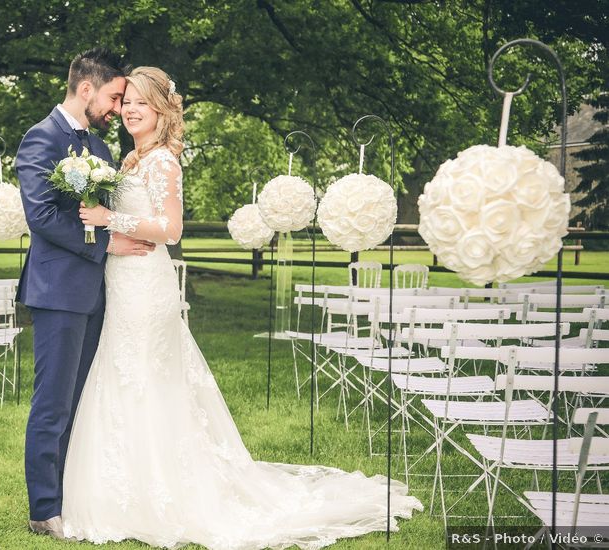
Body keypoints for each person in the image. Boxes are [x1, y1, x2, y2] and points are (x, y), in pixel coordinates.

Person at [65, 66, 423, 549]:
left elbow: (171, 231)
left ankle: (163, 494)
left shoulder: (165, 162)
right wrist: (108, 237)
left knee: (147, 376)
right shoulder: (130, 160)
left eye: (141, 103)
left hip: (147, 287)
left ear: (162, 111)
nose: (129, 109)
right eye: (126, 100)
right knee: (124, 373)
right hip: (123, 279)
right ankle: (124, 489)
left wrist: (111, 218)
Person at [15, 48, 156, 537]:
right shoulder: (40, 139)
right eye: (115, 97)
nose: (118, 108)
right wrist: (107, 243)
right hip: (57, 290)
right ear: (87, 89)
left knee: (80, 401)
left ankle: (72, 496)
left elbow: (107, 207)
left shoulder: (98, 149)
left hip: (97, 294)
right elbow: (43, 216)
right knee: (52, 403)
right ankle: (43, 510)